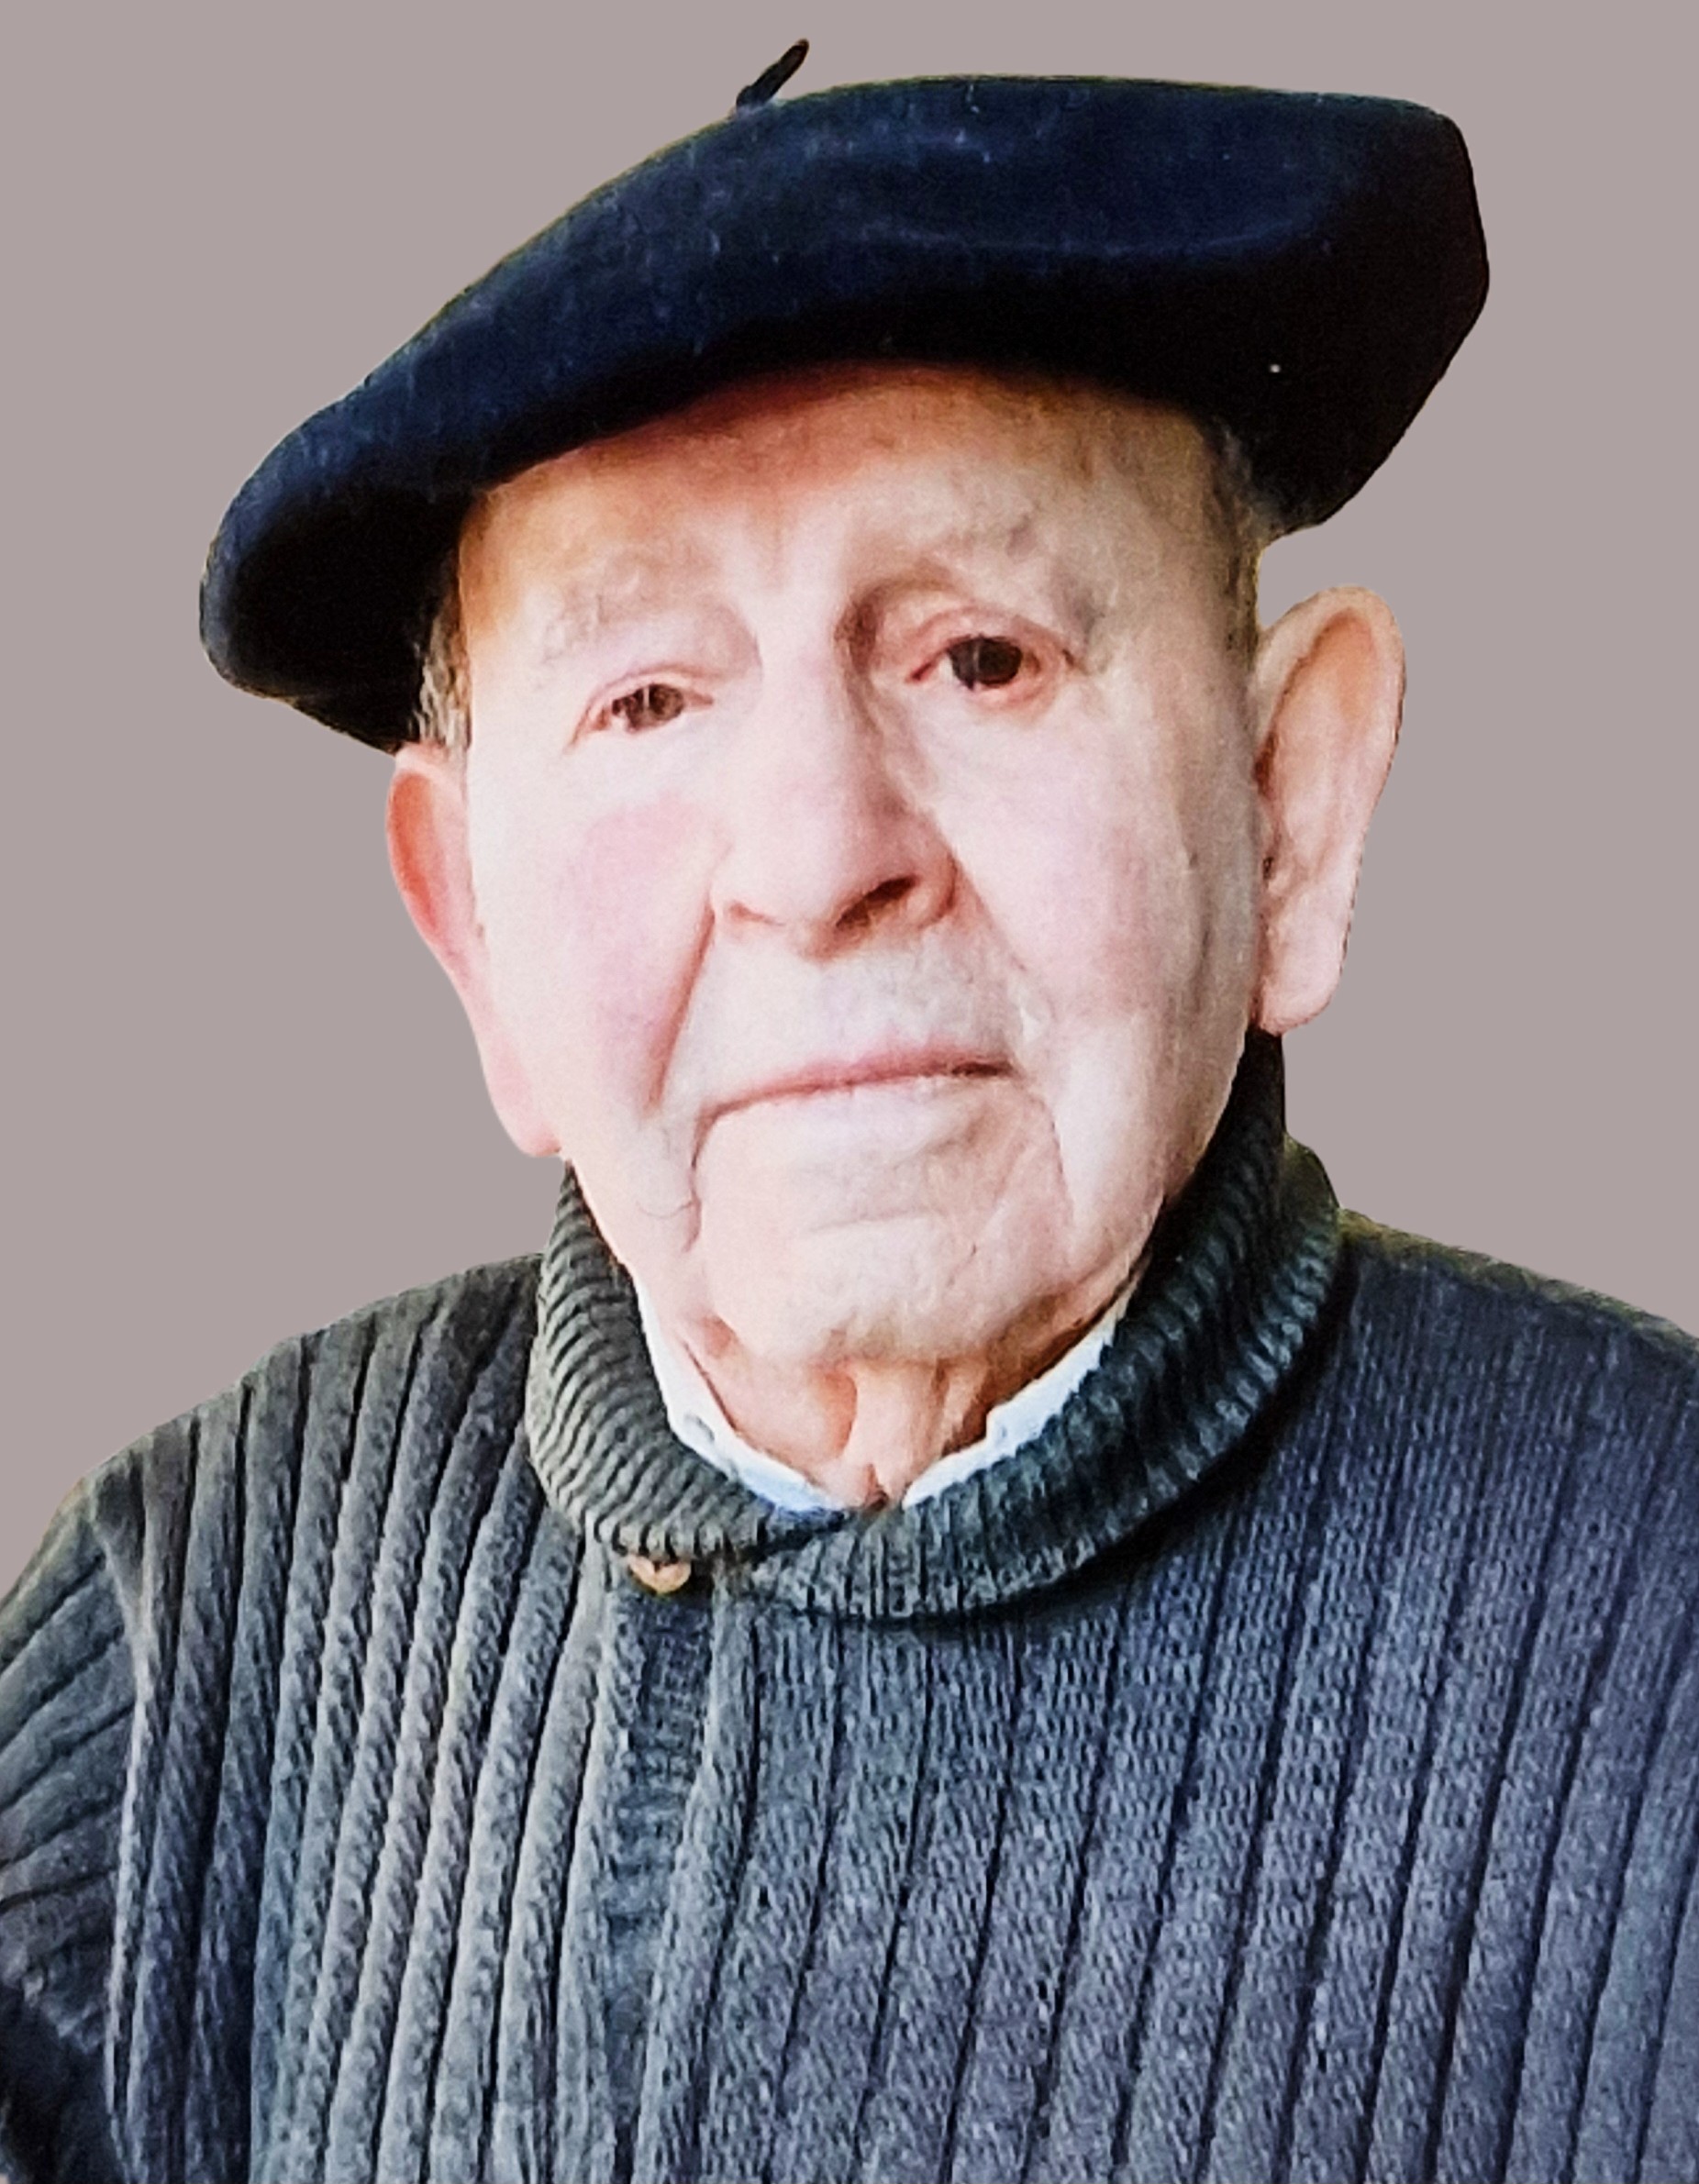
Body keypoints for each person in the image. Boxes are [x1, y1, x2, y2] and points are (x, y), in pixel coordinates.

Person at [1, 55, 1693, 2184]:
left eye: (978, 660)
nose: (816, 859)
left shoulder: (1658, 1614)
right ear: (472, 931)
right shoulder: (197, 1624)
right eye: (646, 698)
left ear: (1288, 808)